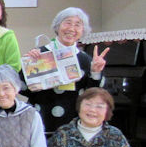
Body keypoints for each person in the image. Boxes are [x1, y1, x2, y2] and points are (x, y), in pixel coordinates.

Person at [27, 7, 108, 135]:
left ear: (83, 31)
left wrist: (95, 72)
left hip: (73, 125)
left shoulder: (86, 60)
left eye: (78, 25)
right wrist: (30, 66)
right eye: (68, 23)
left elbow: (93, 95)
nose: (72, 29)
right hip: (42, 122)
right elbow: (21, 87)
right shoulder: (41, 55)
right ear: (58, 26)